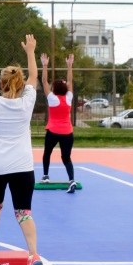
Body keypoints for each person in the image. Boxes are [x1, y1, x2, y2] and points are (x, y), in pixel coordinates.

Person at [0, 32, 43, 265]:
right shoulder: (27, 102)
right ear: (20, 83)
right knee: (24, 212)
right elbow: (35, 76)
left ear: (1, 83)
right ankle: (33, 254)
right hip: (23, 167)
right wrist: (30, 52)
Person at [39, 52, 78, 193]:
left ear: (54, 89)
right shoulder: (69, 98)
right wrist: (69, 66)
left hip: (53, 132)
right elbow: (70, 82)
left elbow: (44, 81)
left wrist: (45, 65)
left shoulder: (52, 99)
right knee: (66, 157)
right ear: (65, 89)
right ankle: (71, 180)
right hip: (67, 133)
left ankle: (45, 176)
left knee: (47, 153)